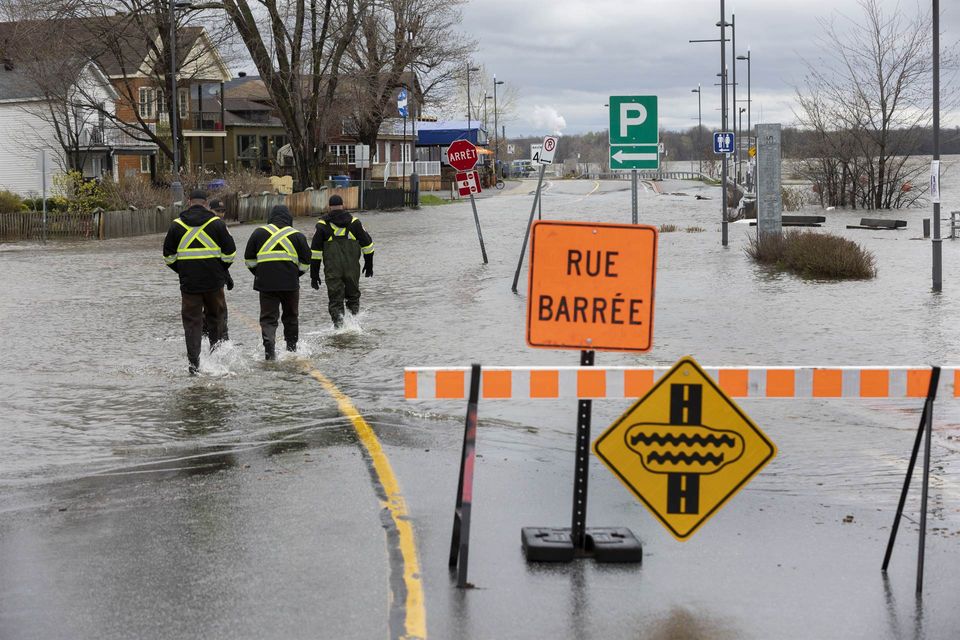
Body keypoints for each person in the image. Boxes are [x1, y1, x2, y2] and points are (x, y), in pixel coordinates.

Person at [163, 189, 236, 375]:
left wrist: (184, 271)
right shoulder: (217, 224)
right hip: (214, 284)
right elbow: (230, 253)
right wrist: (219, 271)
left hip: (190, 285)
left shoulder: (176, 226)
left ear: (189, 201)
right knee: (216, 319)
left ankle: (194, 365)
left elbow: (169, 257)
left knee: (192, 323)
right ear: (206, 203)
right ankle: (216, 361)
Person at [245, 205, 311, 360]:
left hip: (266, 285)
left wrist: (261, 273)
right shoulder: (297, 236)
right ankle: (292, 351)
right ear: (289, 218)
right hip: (290, 284)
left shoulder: (258, 233)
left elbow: (249, 260)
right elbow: (306, 263)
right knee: (291, 317)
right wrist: (295, 274)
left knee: (268, 319)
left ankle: (269, 351)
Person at [310, 194, 374, 328]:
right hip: (352, 269)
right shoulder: (355, 223)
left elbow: (315, 253)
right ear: (343, 206)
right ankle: (353, 325)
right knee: (353, 297)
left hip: (333, 271)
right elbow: (368, 245)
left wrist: (314, 275)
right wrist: (369, 265)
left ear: (329, 207)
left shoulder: (322, 226)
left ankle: (339, 329)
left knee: (335, 300)